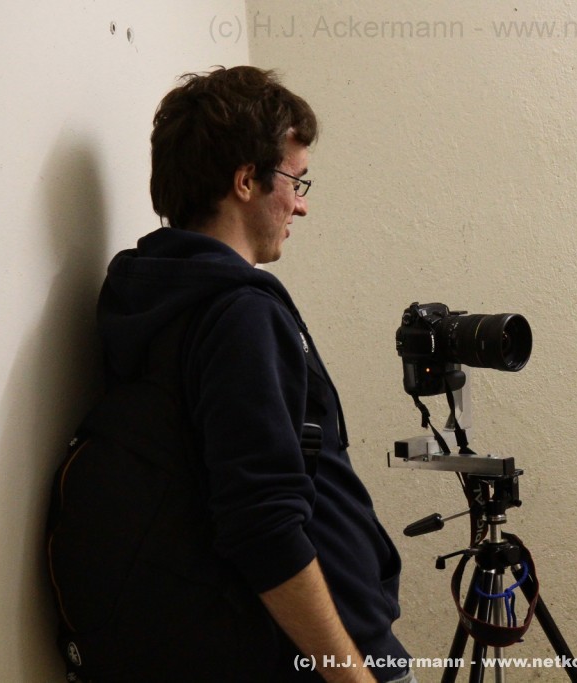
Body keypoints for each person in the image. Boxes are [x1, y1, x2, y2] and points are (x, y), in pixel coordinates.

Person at [95, 66, 412, 682]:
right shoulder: (238, 313)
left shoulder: (153, 301)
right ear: (245, 181)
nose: (302, 203)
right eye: (295, 180)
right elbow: (263, 524)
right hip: (317, 661)